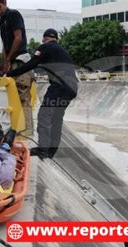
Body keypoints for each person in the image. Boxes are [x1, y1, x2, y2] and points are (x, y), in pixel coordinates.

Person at [6, 29, 78, 159]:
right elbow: (41, 67)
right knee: (56, 119)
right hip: (72, 87)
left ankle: (43, 150)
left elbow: (31, 64)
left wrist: (10, 73)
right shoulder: (60, 51)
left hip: (59, 86)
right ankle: (51, 151)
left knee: (44, 116)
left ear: (44, 39)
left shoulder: (45, 47)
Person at [0, 0, 34, 135]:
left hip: (20, 61)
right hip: (12, 62)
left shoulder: (14, 15)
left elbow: (18, 38)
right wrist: (5, 63)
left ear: (5, 3)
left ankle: (26, 132)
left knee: (22, 97)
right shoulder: (1, 23)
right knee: (14, 98)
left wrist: (8, 58)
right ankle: (19, 129)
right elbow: (5, 45)